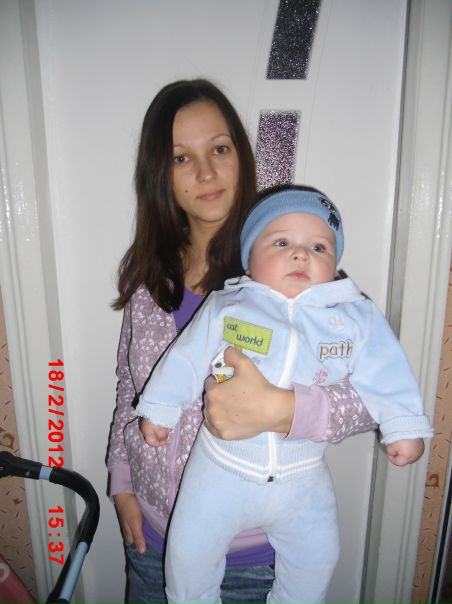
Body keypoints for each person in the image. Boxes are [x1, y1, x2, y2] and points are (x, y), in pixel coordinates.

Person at [107, 79, 377, 604]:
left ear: (242, 156)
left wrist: (284, 409)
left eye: (219, 150)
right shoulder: (148, 277)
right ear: (160, 174)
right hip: (153, 544)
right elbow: (129, 386)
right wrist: (122, 482)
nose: (205, 173)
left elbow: (373, 394)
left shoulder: (293, 272)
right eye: (181, 158)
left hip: (255, 559)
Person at [137, 187, 433, 604]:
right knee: (188, 558)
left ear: (335, 262)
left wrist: (402, 425)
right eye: (281, 243)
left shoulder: (353, 317)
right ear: (249, 259)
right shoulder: (228, 305)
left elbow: (387, 372)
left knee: (318, 559)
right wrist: (160, 409)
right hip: (220, 470)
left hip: (302, 477)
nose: (300, 255)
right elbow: (184, 359)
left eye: (319, 247)